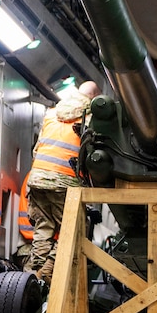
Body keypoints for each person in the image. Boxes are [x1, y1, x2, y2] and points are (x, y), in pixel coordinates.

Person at [24, 80, 100, 285]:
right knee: (75, 229)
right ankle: (48, 272)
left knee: (43, 226)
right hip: (65, 182)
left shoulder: (51, 113)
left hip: (38, 178)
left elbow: (37, 148)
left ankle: (34, 273)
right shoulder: (91, 118)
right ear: (93, 99)